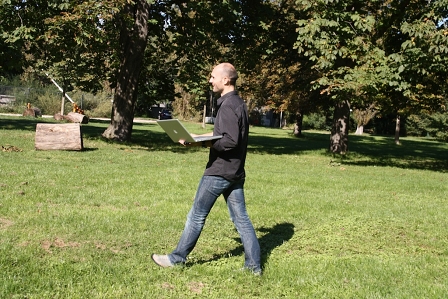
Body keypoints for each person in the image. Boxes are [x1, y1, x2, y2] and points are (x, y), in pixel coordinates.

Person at [151, 62, 261, 275]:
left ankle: (176, 259)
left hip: (219, 171)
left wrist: (199, 143)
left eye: (212, 77)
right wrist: (200, 137)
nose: (210, 80)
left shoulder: (228, 106)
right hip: (235, 171)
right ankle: (254, 268)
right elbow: (227, 136)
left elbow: (229, 142)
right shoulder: (238, 103)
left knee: (197, 215)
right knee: (241, 219)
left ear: (225, 80)